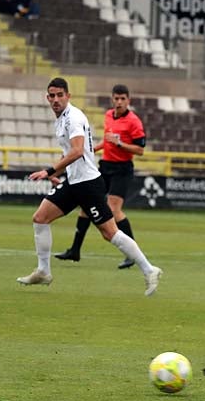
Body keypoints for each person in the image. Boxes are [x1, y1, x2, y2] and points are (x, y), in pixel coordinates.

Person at [16, 78, 161, 295]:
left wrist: (48, 170)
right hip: (74, 181)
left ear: (68, 96)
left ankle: (150, 269)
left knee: (109, 232)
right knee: (40, 218)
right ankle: (43, 271)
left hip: (88, 184)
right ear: (47, 98)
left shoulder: (73, 117)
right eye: (52, 96)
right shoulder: (61, 119)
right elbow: (70, 153)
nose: (55, 99)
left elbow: (77, 151)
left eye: (59, 95)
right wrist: (56, 174)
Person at [55, 84, 146, 269]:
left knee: (114, 209)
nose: (119, 102)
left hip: (122, 170)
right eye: (116, 98)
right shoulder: (108, 116)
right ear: (112, 99)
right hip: (105, 166)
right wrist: (91, 150)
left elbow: (140, 150)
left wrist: (120, 144)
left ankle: (131, 254)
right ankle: (75, 250)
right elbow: (106, 142)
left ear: (128, 100)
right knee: (85, 206)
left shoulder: (134, 121)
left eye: (123, 99)